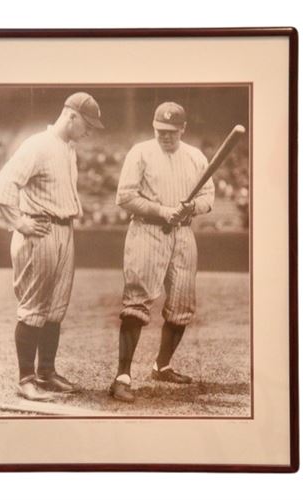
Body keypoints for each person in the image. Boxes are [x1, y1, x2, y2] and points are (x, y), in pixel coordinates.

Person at [0, 92, 104, 401]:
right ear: (71, 116)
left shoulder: (67, 148)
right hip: (38, 230)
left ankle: (46, 372)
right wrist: (20, 223)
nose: (90, 132)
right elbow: (2, 187)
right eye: (87, 125)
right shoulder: (37, 145)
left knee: (55, 309)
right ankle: (26, 379)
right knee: (33, 309)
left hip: (63, 229)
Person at [109, 102, 215, 403]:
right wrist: (162, 210)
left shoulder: (196, 156)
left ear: (183, 128)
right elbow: (125, 196)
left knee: (182, 305)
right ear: (153, 127)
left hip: (183, 234)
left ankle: (162, 365)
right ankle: (122, 377)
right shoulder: (140, 152)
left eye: (171, 131)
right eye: (160, 131)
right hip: (147, 230)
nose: (165, 137)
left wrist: (193, 207)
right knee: (136, 303)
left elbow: (209, 196)